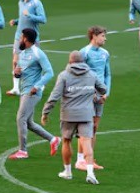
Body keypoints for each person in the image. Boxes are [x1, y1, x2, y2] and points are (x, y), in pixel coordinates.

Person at [42, 51, 107, 184]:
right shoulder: (92, 75)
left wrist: (45, 112)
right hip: (86, 114)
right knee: (86, 142)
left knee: (66, 141)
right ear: (83, 62)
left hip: (68, 115)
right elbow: (103, 89)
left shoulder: (64, 75)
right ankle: (90, 173)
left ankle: (68, 172)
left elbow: (55, 96)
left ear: (70, 61)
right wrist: (93, 95)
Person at [8, 28, 60, 160]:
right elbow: (21, 73)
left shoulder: (38, 53)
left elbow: (49, 72)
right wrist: (16, 73)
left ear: (26, 38)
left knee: (20, 119)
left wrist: (37, 86)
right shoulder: (22, 54)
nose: (19, 39)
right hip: (25, 91)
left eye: (21, 37)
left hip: (32, 93)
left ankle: (23, 151)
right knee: (29, 122)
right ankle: (53, 139)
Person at [76, 26, 112, 170]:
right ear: (94, 36)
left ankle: (89, 159)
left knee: (94, 127)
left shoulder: (105, 53)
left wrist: (106, 91)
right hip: (87, 94)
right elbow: (78, 74)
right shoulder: (84, 52)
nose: (105, 38)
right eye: (103, 36)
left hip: (101, 94)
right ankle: (80, 160)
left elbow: (107, 73)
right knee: (86, 127)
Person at [7, 0, 47, 96]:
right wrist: (16, 21)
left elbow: (43, 19)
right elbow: (23, 18)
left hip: (32, 37)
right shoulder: (21, 2)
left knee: (34, 62)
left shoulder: (36, 3)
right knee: (15, 61)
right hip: (19, 36)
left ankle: (40, 84)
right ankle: (15, 88)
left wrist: (29, 15)